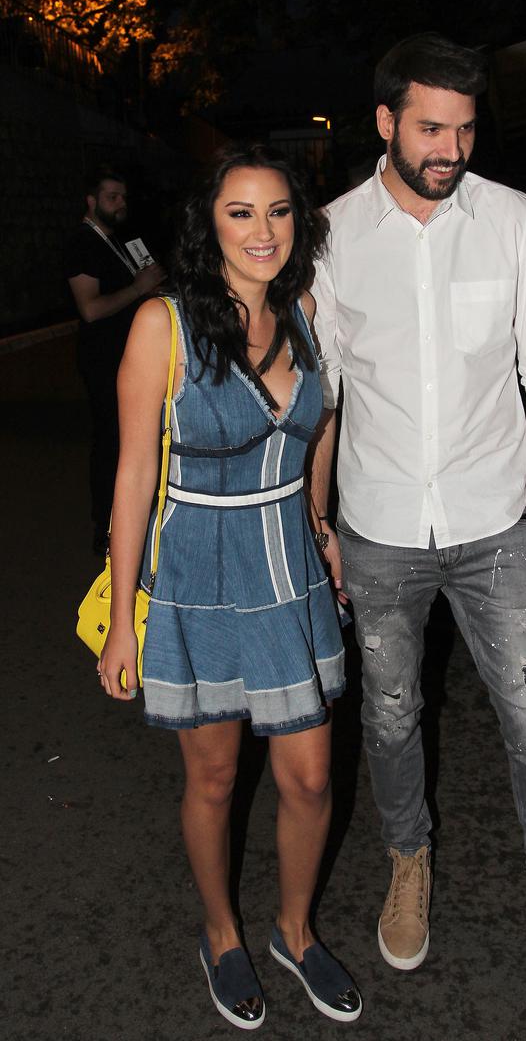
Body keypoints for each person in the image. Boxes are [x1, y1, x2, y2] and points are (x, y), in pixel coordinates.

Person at [309, 33, 526, 996]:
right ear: (385, 122)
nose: (450, 147)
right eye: (431, 127)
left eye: (465, 128)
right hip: (378, 527)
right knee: (393, 719)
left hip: (498, 524)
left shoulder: (513, 220)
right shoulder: (329, 236)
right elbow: (321, 394)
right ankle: (409, 864)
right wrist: (314, 518)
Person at [97, 143, 362, 1029]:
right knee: (213, 780)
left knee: (312, 778)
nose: (263, 230)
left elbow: (316, 430)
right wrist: (124, 620)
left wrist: (320, 523)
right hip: (198, 575)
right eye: (242, 212)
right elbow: (135, 476)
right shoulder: (163, 326)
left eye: (279, 211)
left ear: (300, 221)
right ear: (210, 225)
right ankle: (220, 933)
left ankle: (294, 929)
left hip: (287, 569)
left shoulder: (307, 312)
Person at [65, 165, 166, 554]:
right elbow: (90, 309)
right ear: (91, 201)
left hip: (132, 355)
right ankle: (105, 528)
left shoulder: (117, 241)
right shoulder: (82, 243)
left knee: (139, 440)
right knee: (112, 442)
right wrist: (138, 288)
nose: (121, 203)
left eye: (123, 196)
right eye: (111, 196)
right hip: (104, 359)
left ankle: (135, 523)